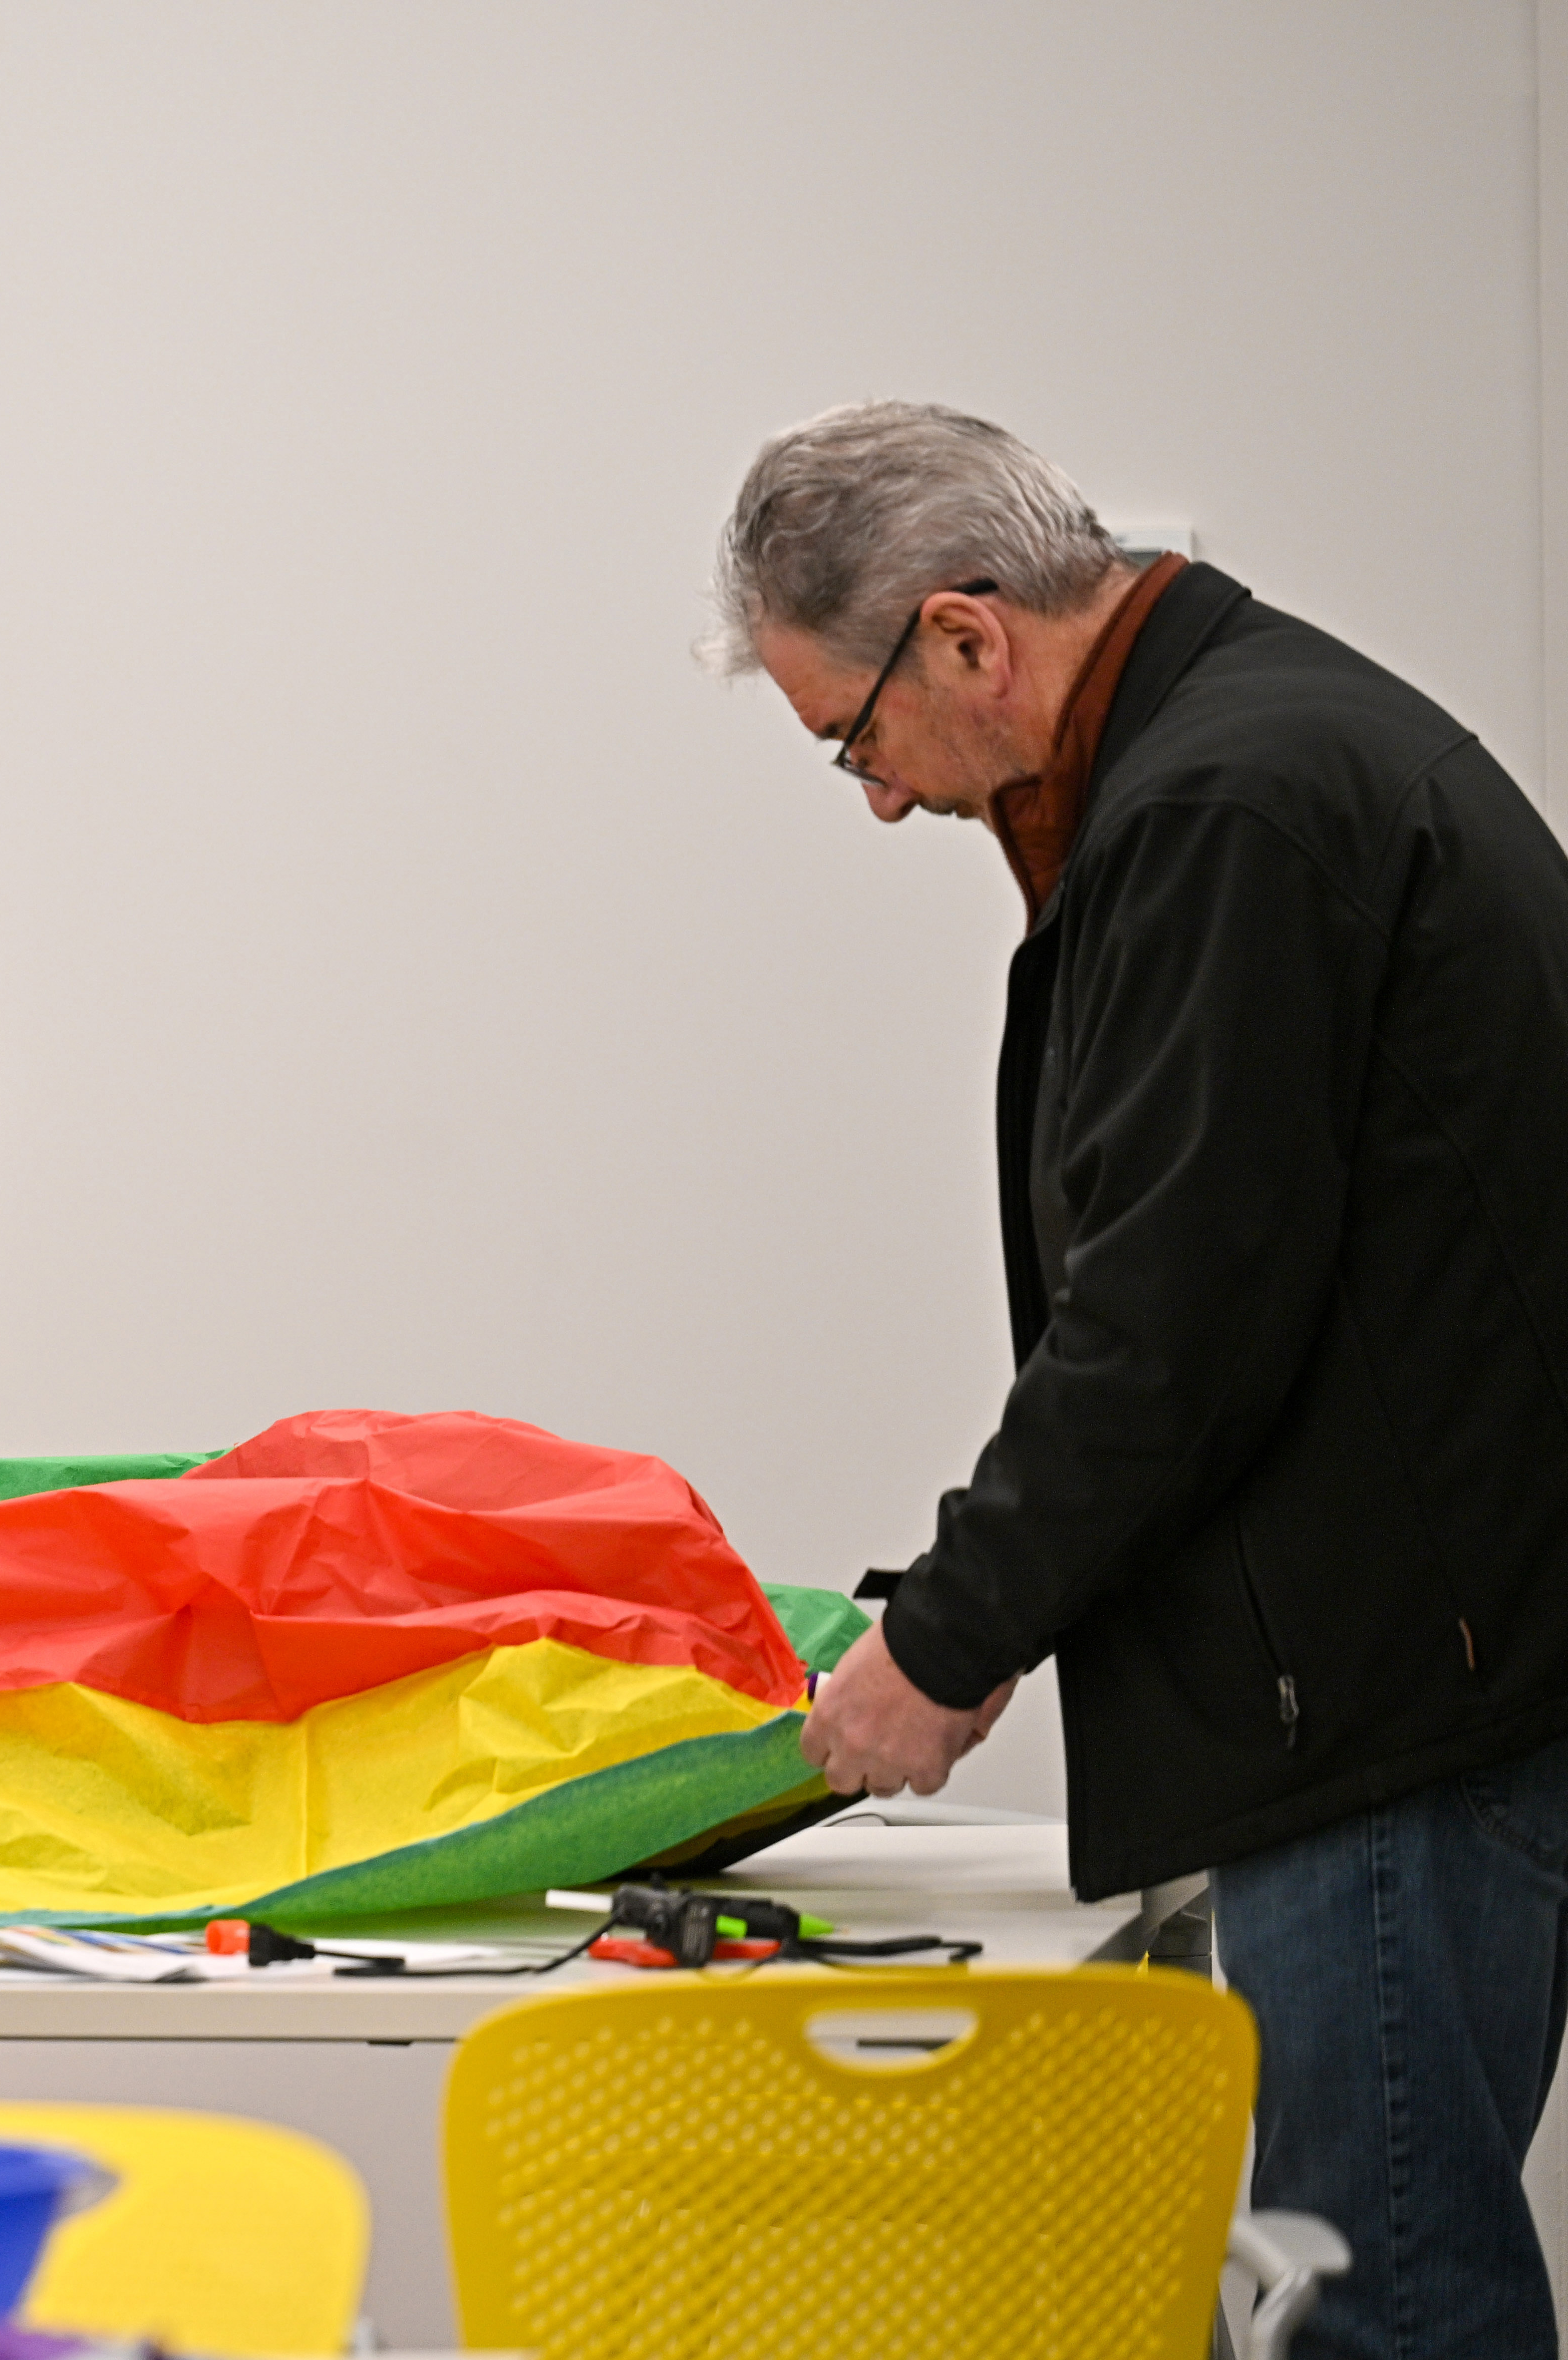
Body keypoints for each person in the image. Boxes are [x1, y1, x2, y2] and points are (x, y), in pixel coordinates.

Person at [718, 402, 1568, 2358]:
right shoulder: (1261, 743)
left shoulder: (1222, 805)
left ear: (965, 637)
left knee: (1384, 2304)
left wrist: (947, 1641)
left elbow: (1172, 1316)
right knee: (1356, 2277)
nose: (875, 797)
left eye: (852, 738)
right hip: (1421, 1661)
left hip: (1380, 1713)